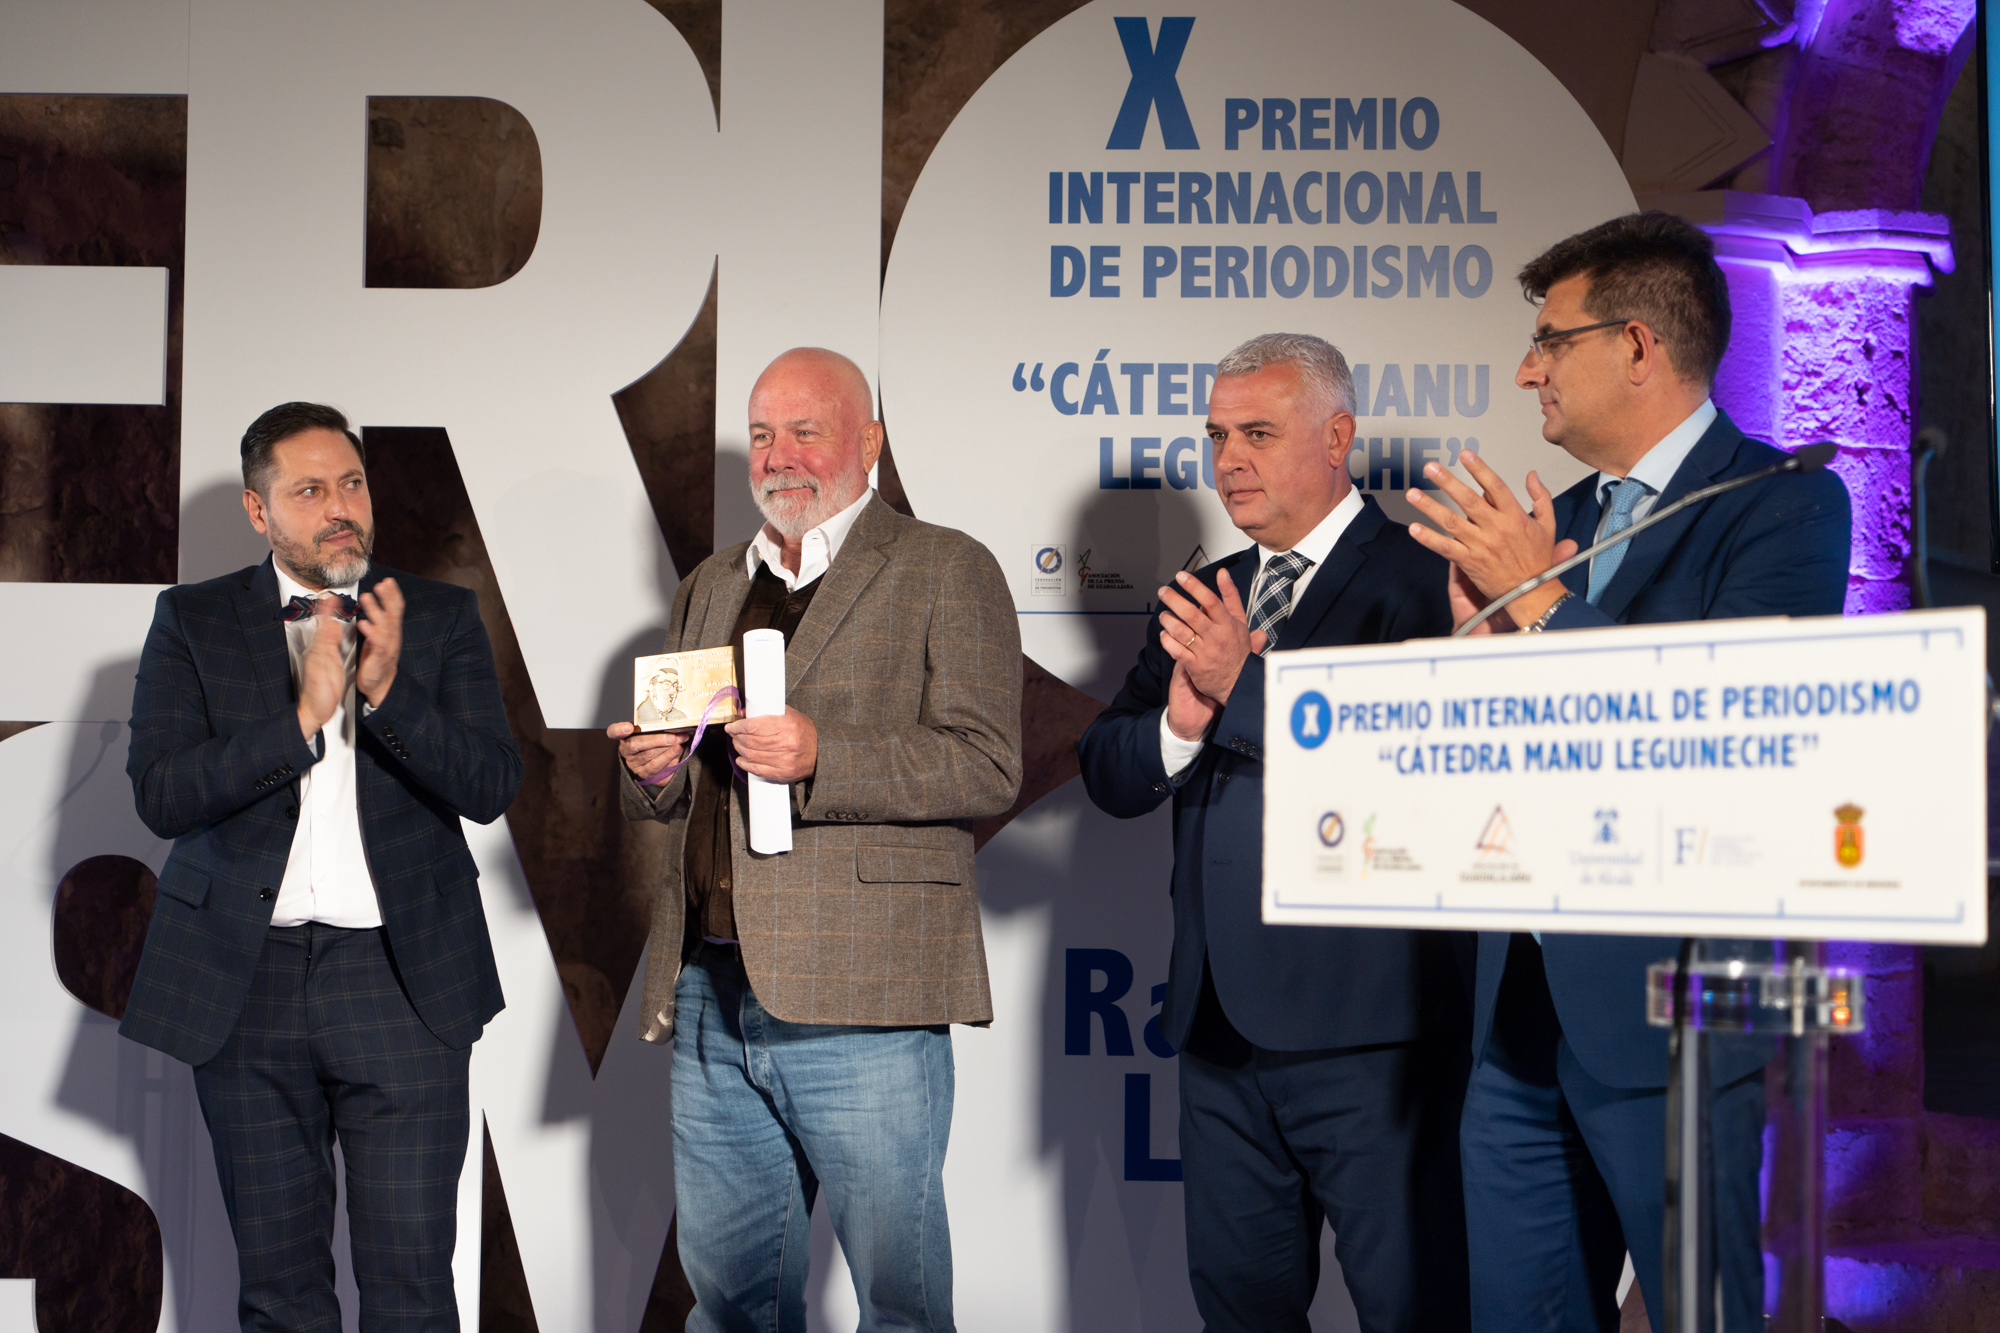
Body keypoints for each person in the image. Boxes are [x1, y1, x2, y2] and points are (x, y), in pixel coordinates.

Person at [1404, 212, 1851, 1332]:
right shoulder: (1560, 523)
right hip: (1516, 1006)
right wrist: (1478, 650)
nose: (1525, 369)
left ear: (1637, 346)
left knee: (1701, 1311)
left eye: (1550, 340)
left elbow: (1724, 722)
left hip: (1676, 1003)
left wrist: (1541, 603)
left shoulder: (1782, 498)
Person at [608, 347, 1022, 1333]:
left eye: (807, 430)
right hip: (709, 987)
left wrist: (821, 757)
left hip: (861, 994)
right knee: (733, 1303)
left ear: (869, 441)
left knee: (899, 1304)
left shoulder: (944, 566)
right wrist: (654, 775)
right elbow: (678, 794)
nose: (779, 455)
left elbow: (985, 765)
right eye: (761, 435)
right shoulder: (711, 583)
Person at [1076, 333, 1470, 1333]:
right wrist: (1180, 724)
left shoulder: (1429, 582)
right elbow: (1106, 769)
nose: (1228, 459)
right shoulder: (1203, 589)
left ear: (1336, 437)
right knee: (1241, 1311)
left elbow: (1415, 775)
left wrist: (1237, 689)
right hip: (1216, 1034)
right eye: (1215, 435)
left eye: (1256, 432)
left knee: (1413, 1308)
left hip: (1373, 1033)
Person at [121, 401, 519, 1331]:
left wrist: (382, 694)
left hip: (401, 983)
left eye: (351, 482)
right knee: (280, 1294)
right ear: (261, 512)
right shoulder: (192, 619)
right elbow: (162, 793)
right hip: (243, 981)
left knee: (414, 1290)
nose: (340, 506)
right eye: (310, 490)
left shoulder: (441, 615)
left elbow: (491, 782)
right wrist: (301, 719)